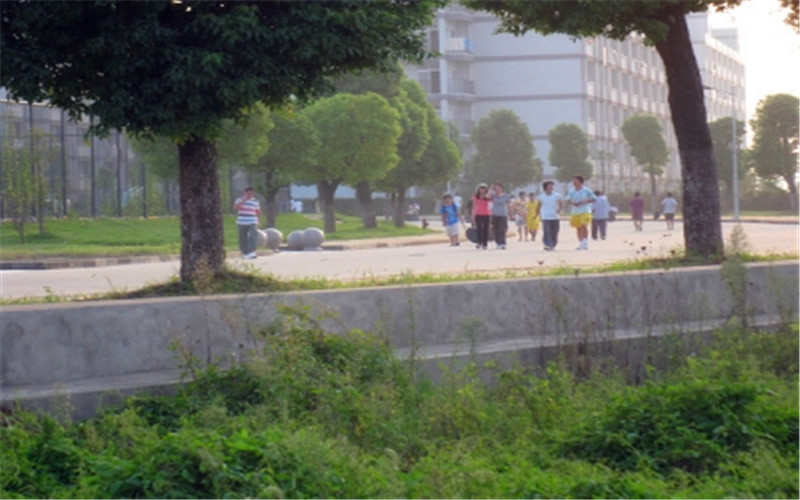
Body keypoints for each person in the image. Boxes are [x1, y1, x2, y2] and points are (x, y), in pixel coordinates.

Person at [566, 175, 596, 250]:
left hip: (585, 211)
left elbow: (594, 199)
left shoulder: (587, 190)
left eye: (575, 181)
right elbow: (567, 200)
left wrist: (585, 201)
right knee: (578, 228)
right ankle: (581, 243)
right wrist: (573, 203)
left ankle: (585, 242)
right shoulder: (571, 191)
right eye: (573, 181)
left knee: (584, 225)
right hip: (575, 212)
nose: (574, 183)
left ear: (580, 182)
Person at [233, 186, 261, 259]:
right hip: (242, 221)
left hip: (252, 220)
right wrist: (243, 200)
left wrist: (258, 220)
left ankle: (251, 251)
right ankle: (244, 252)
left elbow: (257, 211)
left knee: (253, 235)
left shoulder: (255, 201)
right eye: (248, 193)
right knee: (242, 237)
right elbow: (236, 207)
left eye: (251, 193)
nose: (249, 195)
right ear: (245, 193)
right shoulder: (239, 199)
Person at [538, 180, 562, 251]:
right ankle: (548, 244)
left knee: (555, 232)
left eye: (552, 185)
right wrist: (538, 215)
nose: (551, 187)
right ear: (545, 187)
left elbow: (560, 204)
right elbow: (538, 206)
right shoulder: (541, 197)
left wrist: (559, 209)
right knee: (546, 231)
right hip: (545, 217)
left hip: (555, 216)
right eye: (549, 185)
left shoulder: (557, 195)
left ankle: (553, 244)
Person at [488, 182, 512, 249]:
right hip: (494, 215)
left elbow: (509, 205)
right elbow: (487, 196)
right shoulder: (493, 196)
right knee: (496, 230)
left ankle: (503, 243)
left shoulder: (506, 196)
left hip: (503, 215)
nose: (497, 189)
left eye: (499, 188)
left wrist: (510, 213)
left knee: (502, 229)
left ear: (502, 188)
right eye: (496, 188)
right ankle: (498, 243)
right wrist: (491, 188)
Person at [471, 183, 491, 250]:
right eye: (481, 188)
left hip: (486, 214)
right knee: (479, 228)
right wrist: (473, 214)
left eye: (484, 188)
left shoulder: (488, 197)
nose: (482, 190)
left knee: (485, 229)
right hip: (478, 214)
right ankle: (479, 242)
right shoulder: (476, 197)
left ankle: (485, 243)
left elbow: (491, 205)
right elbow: (474, 206)